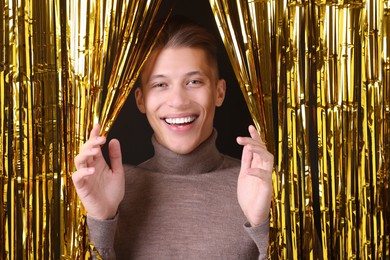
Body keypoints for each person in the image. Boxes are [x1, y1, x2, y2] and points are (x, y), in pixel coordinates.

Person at [72, 16, 274, 260]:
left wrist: (264, 227)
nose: (178, 101)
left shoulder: (263, 187)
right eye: (160, 84)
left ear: (219, 92)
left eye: (194, 81)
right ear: (140, 99)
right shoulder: (105, 191)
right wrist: (101, 222)